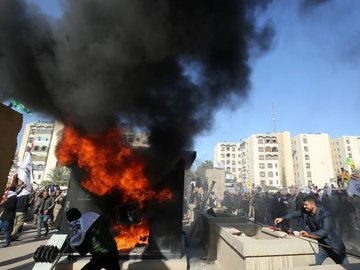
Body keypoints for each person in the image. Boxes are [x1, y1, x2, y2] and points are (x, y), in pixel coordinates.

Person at [274, 195, 349, 265]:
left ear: (313, 205)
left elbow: (325, 231)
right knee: (313, 265)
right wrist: (282, 218)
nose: (304, 207)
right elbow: (294, 214)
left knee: (347, 267)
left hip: (333, 246)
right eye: (304, 205)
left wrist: (309, 234)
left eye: (306, 205)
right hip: (321, 247)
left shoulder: (324, 213)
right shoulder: (305, 211)